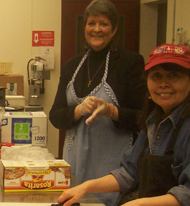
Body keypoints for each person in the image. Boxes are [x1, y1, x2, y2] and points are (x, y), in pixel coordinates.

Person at [56, 44, 190, 206]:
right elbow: (130, 173)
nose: (164, 84)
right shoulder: (153, 121)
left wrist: (139, 204)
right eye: (156, 76)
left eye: (174, 76)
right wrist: (86, 187)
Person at [49, 0, 146, 204]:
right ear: (85, 27)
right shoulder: (71, 67)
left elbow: (142, 118)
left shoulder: (130, 63)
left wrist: (110, 110)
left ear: (114, 29)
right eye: (91, 23)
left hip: (111, 168)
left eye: (103, 24)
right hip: (73, 164)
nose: (97, 29)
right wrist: (78, 110)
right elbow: (56, 116)